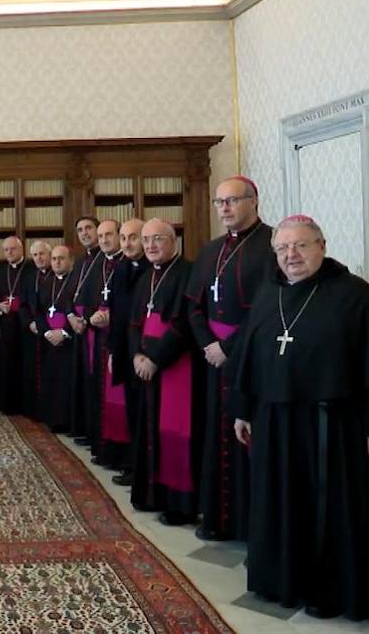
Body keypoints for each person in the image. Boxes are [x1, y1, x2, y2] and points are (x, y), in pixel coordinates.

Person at [231, 215, 369, 620]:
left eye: (301, 246)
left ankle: (328, 590)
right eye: (282, 248)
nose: (291, 255)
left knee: (327, 509)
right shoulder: (267, 293)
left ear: (321, 245)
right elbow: (247, 356)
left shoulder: (355, 296)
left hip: (330, 424)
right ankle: (280, 580)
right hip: (273, 419)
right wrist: (242, 409)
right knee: (277, 501)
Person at [188, 176, 273, 541]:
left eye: (232, 201)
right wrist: (209, 344)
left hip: (251, 358)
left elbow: (270, 310)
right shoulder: (211, 251)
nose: (224, 208)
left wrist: (228, 347)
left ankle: (251, 524)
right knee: (215, 434)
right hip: (214, 359)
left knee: (248, 438)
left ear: (253, 201)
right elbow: (193, 306)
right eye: (219, 202)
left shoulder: (271, 245)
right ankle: (218, 518)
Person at [128, 219, 202, 526]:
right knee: (150, 429)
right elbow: (134, 323)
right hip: (147, 364)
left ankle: (180, 503)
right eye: (146, 240)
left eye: (158, 238)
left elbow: (183, 324)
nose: (151, 246)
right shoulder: (146, 277)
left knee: (176, 432)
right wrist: (136, 354)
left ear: (174, 241)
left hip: (175, 365)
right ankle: (152, 494)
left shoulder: (188, 273)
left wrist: (154, 358)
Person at [73, 220, 123, 466]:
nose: (103, 240)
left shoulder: (127, 264)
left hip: (117, 339)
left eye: (108, 235)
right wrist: (89, 317)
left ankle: (118, 456)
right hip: (97, 336)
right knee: (98, 393)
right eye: (101, 236)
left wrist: (111, 316)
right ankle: (101, 447)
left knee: (117, 398)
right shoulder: (96, 264)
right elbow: (85, 297)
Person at [109, 219, 149, 485]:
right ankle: (134, 465)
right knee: (133, 412)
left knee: (147, 414)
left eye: (133, 237)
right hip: (125, 349)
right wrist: (113, 351)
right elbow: (116, 315)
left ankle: (145, 470)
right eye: (123, 238)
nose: (127, 244)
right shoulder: (121, 268)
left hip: (147, 354)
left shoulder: (154, 270)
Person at [35, 245, 79, 432]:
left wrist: (64, 333)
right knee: (51, 380)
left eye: (61, 258)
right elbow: (39, 312)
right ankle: (52, 419)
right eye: (54, 259)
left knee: (67, 383)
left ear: (71, 261)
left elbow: (79, 311)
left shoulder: (77, 282)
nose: (57, 262)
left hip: (69, 341)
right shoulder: (46, 284)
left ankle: (68, 422)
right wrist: (46, 333)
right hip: (49, 341)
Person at [68, 216, 104, 441]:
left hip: (97, 330)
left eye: (89, 228)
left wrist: (87, 319)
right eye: (80, 229)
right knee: (83, 382)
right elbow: (70, 295)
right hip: (79, 329)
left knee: (97, 384)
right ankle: (87, 430)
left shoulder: (107, 260)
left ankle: (97, 434)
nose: (84, 233)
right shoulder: (81, 262)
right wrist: (72, 316)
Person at [0, 236, 33, 415]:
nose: (9, 253)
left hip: (25, 323)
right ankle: (7, 403)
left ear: (21, 249)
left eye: (13, 249)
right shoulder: (1, 271)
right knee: (7, 363)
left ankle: (25, 405)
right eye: (6, 250)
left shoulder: (31, 269)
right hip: (7, 323)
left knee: (25, 364)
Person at [19, 240, 52, 420]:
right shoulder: (30, 277)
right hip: (33, 332)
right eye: (35, 255)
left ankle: (49, 412)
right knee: (32, 372)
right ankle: (34, 410)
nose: (39, 258)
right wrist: (29, 323)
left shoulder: (58, 275)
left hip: (52, 333)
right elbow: (23, 305)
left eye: (42, 254)